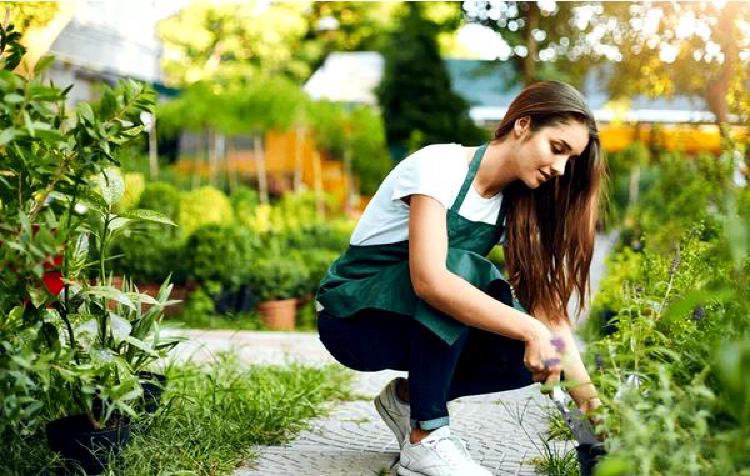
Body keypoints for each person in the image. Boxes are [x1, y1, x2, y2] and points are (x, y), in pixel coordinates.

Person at [315, 80, 605, 476]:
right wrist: (531, 329)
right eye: (557, 149)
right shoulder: (440, 167)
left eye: (570, 159)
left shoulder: (515, 206)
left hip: (409, 319)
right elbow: (431, 279)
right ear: (522, 126)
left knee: (532, 356)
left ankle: (406, 400)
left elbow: (551, 317)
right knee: (467, 272)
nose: (560, 168)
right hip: (353, 317)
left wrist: (597, 420)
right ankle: (426, 436)